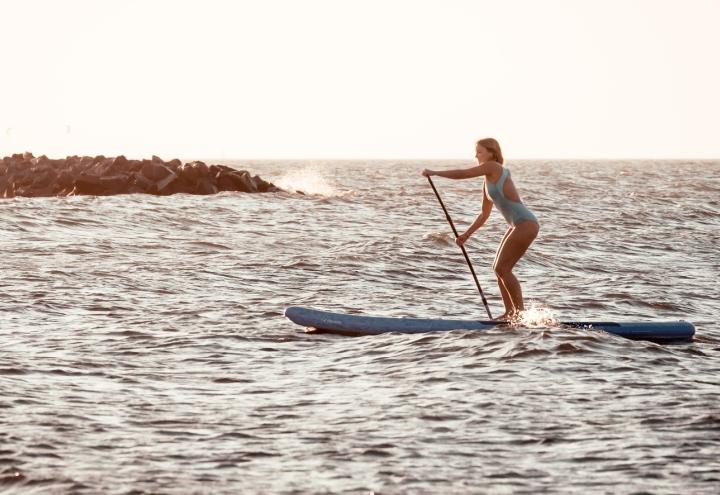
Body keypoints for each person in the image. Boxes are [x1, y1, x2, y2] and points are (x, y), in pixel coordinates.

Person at [421, 138, 539, 321]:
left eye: (480, 151)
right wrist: (465, 236)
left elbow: (464, 173)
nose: (476, 155)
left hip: (526, 224)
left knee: (503, 268)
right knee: (498, 269)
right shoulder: (487, 182)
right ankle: (510, 313)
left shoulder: (494, 167)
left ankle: (520, 314)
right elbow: (484, 214)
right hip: (517, 225)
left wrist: (435, 173)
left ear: (492, 153)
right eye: (476, 152)